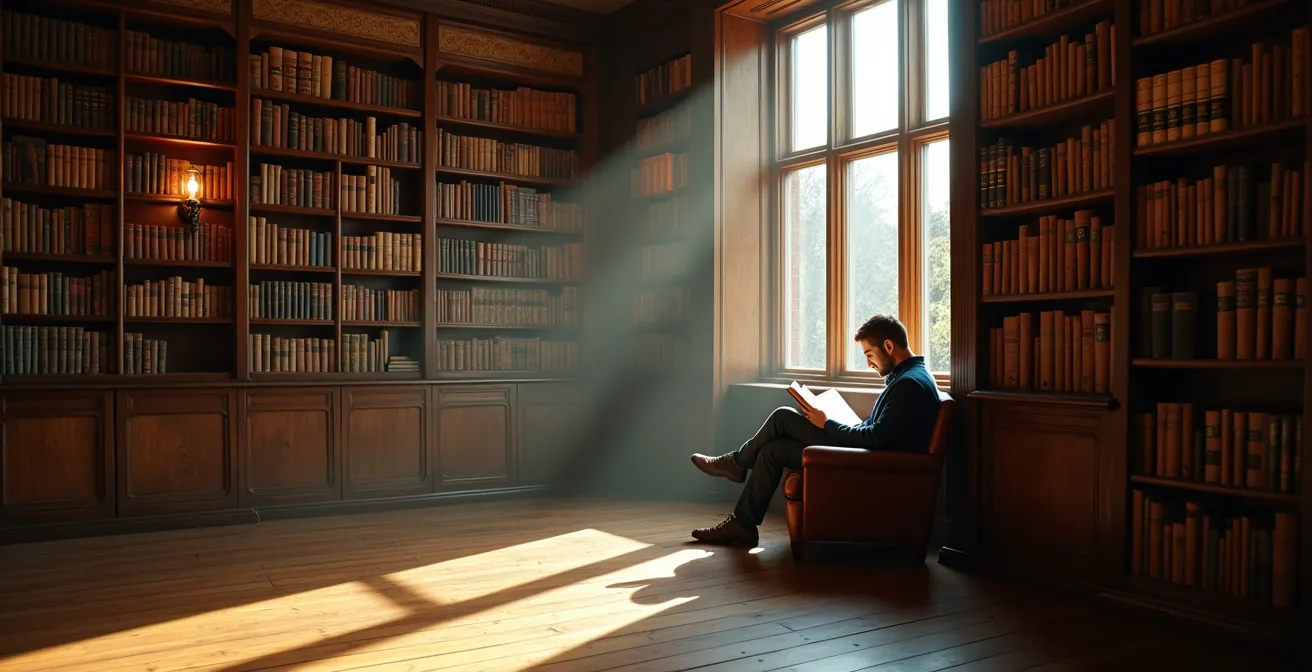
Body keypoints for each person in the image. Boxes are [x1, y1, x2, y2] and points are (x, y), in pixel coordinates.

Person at [688, 314, 941, 546]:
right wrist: (843, 422)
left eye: (869, 354)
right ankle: (743, 525)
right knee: (773, 451)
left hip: (867, 461)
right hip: (865, 453)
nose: (868, 363)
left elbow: (876, 438)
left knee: (782, 418)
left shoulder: (908, 385)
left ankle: (736, 462)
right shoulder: (909, 376)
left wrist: (827, 423)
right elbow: (880, 429)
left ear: (888, 346)